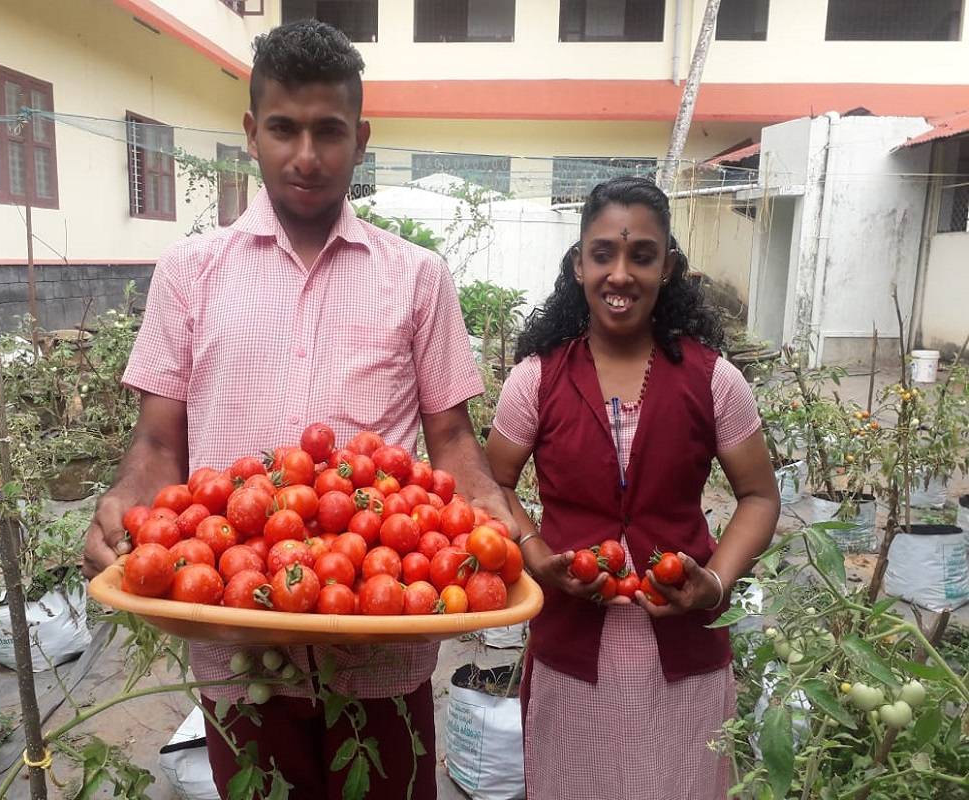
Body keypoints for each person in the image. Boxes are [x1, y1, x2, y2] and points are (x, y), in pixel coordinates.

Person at [81, 20, 515, 799]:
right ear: (251, 132)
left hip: (385, 632)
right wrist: (126, 503)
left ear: (362, 138)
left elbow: (450, 436)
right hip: (234, 629)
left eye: (329, 132)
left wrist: (481, 499)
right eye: (284, 128)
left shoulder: (417, 277)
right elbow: (157, 439)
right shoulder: (190, 272)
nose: (306, 155)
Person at [486, 176, 780, 800]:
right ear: (578, 264)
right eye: (603, 255)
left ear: (668, 266)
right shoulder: (534, 382)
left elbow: (759, 496)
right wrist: (538, 557)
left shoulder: (715, 381)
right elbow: (495, 485)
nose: (621, 274)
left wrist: (715, 584)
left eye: (641, 255)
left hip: (684, 656)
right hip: (572, 650)